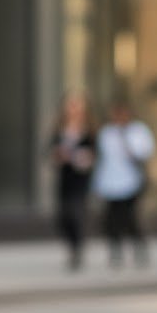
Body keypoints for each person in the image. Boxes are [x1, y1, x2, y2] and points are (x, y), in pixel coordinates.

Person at [91, 100, 156, 267]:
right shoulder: (106, 133)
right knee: (111, 219)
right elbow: (102, 159)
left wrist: (126, 142)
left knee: (130, 217)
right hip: (109, 183)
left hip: (131, 182)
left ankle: (138, 246)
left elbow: (145, 153)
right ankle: (115, 249)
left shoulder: (137, 130)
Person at [47, 92, 97, 270]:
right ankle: (71, 246)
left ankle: (78, 248)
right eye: (71, 105)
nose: (73, 110)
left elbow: (95, 154)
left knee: (77, 212)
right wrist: (59, 156)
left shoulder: (89, 130)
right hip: (65, 178)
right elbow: (49, 153)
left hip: (81, 179)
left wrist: (84, 158)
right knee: (64, 215)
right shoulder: (59, 130)